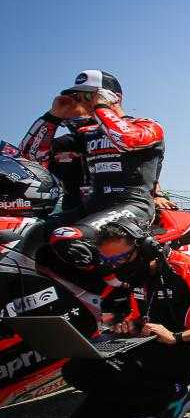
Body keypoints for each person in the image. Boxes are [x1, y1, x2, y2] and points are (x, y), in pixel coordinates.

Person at [61, 221, 190, 418]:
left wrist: (177, 336)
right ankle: (131, 398)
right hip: (146, 345)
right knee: (78, 375)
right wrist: (128, 325)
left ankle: (185, 390)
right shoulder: (137, 275)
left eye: (120, 259)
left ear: (145, 247)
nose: (115, 266)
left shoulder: (187, 268)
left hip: (184, 348)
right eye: (109, 261)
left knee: (120, 417)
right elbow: (137, 315)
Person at [21, 71, 166, 269]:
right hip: (93, 206)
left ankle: (121, 289)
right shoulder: (86, 135)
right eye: (78, 97)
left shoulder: (148, 125)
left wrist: (101, 107)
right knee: (30, 233)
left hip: (133, 206)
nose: (82, 102)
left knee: (68, 239)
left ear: (115, 97)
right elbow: (31, 155)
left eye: (90, 95)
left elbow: (127, 140)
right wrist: (52, 116)